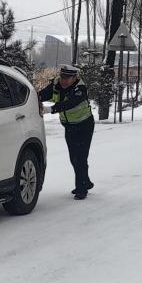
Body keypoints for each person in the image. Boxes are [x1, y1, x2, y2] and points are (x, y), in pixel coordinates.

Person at [38, 65, 95, 199]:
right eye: (62, 77)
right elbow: (44, 94)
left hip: (84, 126)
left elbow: (70, 104)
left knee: (80, 158)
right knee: (74, 158)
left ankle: (81, 189)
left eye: (67, 78)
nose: (63, 81)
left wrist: (50, 109)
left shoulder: (80, 88)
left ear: (75, 77)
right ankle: (85, 182)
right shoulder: (56, 84)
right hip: (69, 127)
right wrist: (34, 98)